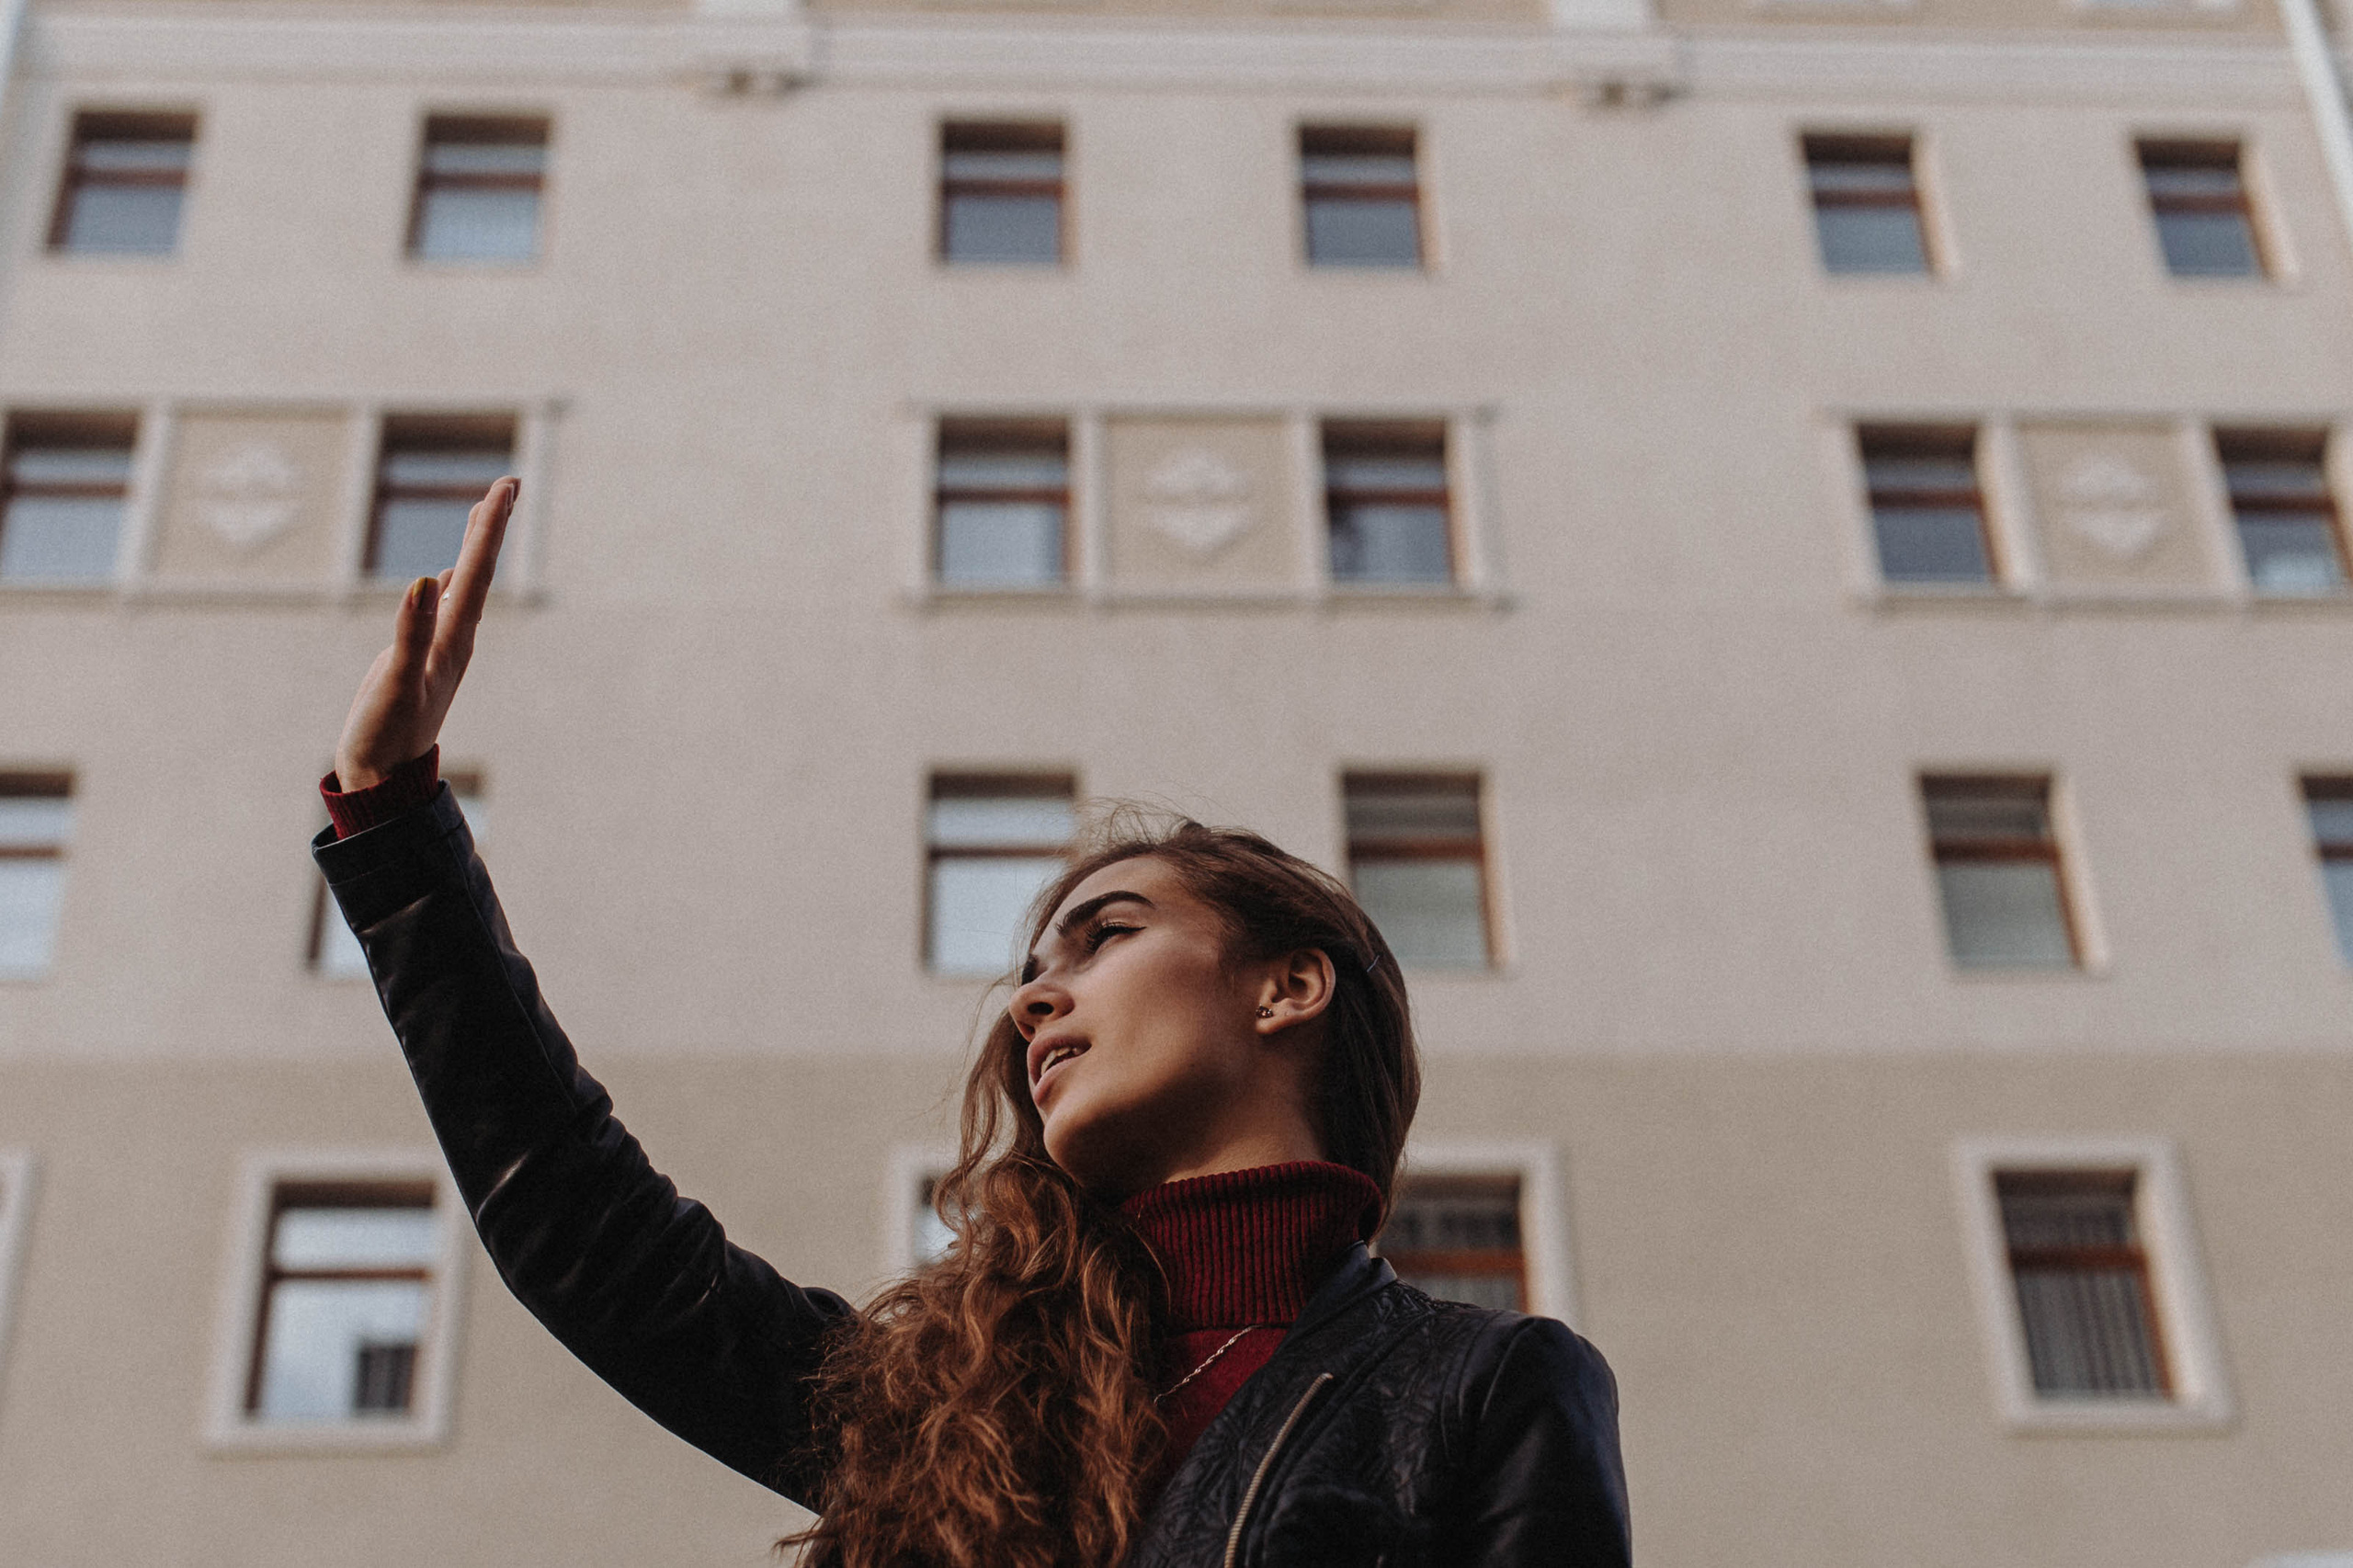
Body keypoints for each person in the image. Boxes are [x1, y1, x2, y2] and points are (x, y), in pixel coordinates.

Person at [313, 477, 1632, 1568]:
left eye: (1107, 934)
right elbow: (590, 1232)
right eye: (1031, 964)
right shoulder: (959, 1396)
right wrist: (394, 821)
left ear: (1287, 986)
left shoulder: (1483, 1387)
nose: (1031, 997)